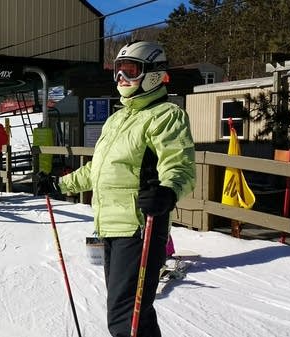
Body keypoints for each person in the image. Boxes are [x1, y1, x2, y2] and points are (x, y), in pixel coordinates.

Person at [38, 40, 196, 337]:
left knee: (125, 319)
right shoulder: (117, 119)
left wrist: (167, 192)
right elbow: (98, 170)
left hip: (140, 226)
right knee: (137, 316)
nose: (122, 79)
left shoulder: (166, 115)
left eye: (130, 71)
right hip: (110, 226)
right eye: (119, 72)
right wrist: (60, 184)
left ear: (151, 73)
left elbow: (181, 167)